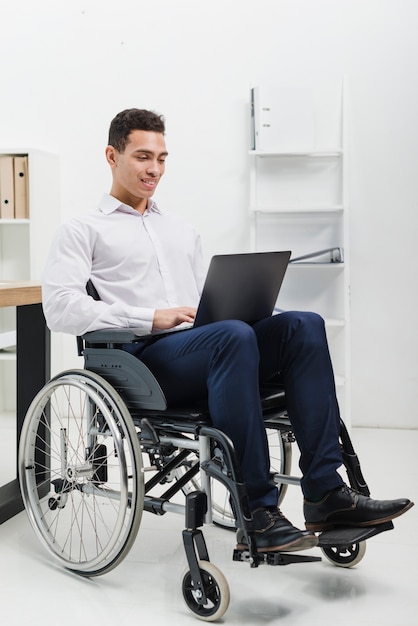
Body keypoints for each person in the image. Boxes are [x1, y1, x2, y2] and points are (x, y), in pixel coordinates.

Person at [42, 108, 413, 553]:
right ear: (111, 155)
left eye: (161, 158)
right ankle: (258, 510)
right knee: (232, 336)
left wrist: (245, 307)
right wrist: (149, 317)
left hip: (205, 348)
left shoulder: (180, 229)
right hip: (143, 360)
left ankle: (326, 494)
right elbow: (59, 309)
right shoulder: (83, 229)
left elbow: (205, 304)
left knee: (302, 325)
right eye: (143, 156)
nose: (154, 169)